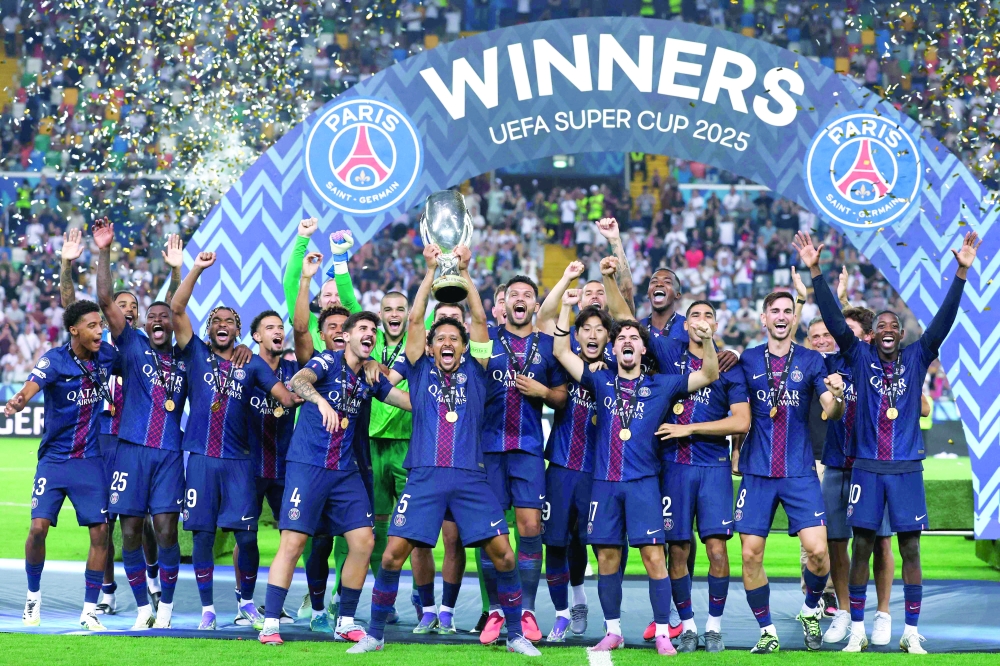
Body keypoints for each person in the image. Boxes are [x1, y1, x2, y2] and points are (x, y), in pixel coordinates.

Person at [348, 243, 539, 656]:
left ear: (464, 345)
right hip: (425, 475)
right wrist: (430, 272)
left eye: (455, 337)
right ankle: (375, 635)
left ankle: (517, 635)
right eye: (441, 339)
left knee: (505, 556)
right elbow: (416, 318)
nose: (448, 342)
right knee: (392, 556)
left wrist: (465, 273)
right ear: (431, 346)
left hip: (471, 477)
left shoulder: (478, 368)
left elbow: (483, 318)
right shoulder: (417, 370)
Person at [797, 230, 980, 654]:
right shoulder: (858, 357)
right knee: (861, 546)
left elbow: (944, 320)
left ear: (901, 333)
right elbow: (835, 319)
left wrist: (962, 273)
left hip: (906, 469)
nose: (886, 330)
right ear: (871, 335)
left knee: (910, 548)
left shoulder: (918, 357)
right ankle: (857, 626)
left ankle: (910, 630)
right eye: (880, 326)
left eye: (893, 325)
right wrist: (815, 272)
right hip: (865, 467)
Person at [552, 288, 719, 655]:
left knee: (653, 557)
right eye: (621, 338)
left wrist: (707, 341)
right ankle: (613, 630)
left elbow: (708, 373)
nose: (627, 341)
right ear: (614, 350)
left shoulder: (663, 384)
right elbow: (562, 351)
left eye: (634, 338)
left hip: (644, 484)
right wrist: (565, 306)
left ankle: (662, 631)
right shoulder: (599, 380)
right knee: (607, 558)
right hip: (606, 484)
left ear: (643, 350)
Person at [258, 311, 411, 646]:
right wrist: (319, 402)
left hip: (345, 471)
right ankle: (270, 624)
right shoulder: (327, 360)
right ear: (348, 335)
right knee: (294, 543)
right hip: (308, 465)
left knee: (364, 542)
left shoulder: (371, 375)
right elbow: (298, 381)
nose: (370, 333)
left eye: (374, 330)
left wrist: (436, 405)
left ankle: (344, 621)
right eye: (363, 329)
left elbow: (404, 401)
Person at [170, 251, 299, 631]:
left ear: (240, 332)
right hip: (203, 460)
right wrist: (195, 268)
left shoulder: (252, 364)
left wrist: (309, 389)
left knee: (246, 536)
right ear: (210, 329)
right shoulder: (195, 353)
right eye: (217, 321)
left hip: (241, 462)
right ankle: (208, 609)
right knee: (203, 534)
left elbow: (285, 396)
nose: (222, 324)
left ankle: (246, 603)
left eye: (230, 321)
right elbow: (178, 309)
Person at [60, 224, 182, 616]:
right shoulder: (99, 347)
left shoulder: (135, 348)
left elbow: (173, 313)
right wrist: (70, 264)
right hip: (104, 440)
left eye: (132, 307)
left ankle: (150, 584)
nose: (126, 310)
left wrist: (178, 272)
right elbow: (73, 309)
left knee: (150, 523)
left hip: (139, 441)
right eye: (122, 306)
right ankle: (110, 591)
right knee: (110, 522)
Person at [328, 230, 445, 632]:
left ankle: (426, 605)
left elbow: (424, 309)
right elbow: (347, 298)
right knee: (374, 530)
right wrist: (340, 258)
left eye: (401, 308)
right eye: (388, 309)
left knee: (416, 533)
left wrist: (435, 270)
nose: (395, 314)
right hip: (370, 448)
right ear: (380, 314)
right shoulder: (369, 345)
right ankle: (383, 598)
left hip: (412, 447)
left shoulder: (420, 337)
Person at [733, 290, 846, 653]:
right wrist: (735, 449)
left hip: (798, 471)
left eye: (787, 311)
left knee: (817, 552)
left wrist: (838, 397)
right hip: (757, 471)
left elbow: (831, 409)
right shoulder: (746, 360)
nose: (781, 316)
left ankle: (811, 609)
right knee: (750, 554)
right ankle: (767, 631)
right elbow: (737, 410)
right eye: (774, 311)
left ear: (793, 319)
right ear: (764, 318)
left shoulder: (812, 361)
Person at [91, 220, 187, 630]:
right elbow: (104, 297)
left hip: (168, 452)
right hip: (130, 448)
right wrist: (104, 251)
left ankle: (164, 609)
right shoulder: (131, 344)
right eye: (153, 317)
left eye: (166, 316)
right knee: (129, 532)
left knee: (165, 531)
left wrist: (178, 273)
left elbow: (177, 307)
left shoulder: (188, 356)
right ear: (144, 325)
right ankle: (141, 608)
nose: (160, 320)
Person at [6, 300, 116, 630]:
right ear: (74, 330)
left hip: (89, 460)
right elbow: (30, 388)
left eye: (101, 325)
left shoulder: (108, 357)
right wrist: (18, 401)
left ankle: (89, 610)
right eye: (93, 326)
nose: (100, 331)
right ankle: (32, 598)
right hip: (54, 461)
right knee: (38, 529)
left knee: (101, 532)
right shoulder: (54, 360)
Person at [653, 300, 752, 652]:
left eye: (708, 315)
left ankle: (713, 627)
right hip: (674, 467)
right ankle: (689, 626)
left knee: (717, 551)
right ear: (685, 325)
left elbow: (741, 421)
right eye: (695, 315)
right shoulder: (667, 353)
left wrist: (689, 428)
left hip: (713, 468)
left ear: (716, 323)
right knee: (677, 551)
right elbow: (624, 319)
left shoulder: (730, 366)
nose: (702, 321)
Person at [480, 273, 568, 644]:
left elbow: (563, 397)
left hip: (529, 448)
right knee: (491, 533)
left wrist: (543, 390)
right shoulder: (486, 343)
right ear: (502, 305)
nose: (519, 299)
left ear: (534, 306)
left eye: (527, 295)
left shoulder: (548, 347)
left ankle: (527, 610)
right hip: (489, 448)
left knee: (531, 529)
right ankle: (498, 612)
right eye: (512, 294)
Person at [808, 312, 898, 648]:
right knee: (836, 542)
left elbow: (922, 406)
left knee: (882, 542)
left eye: (850, 332)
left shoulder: (884, 368)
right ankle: (844, 611)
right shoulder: (828, 363)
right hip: (835, 464)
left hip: (873, 467)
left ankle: (883, 614)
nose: (840, 337)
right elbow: (797, 347)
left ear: (868, 337)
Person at [540, 304, 612, 641]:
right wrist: (568, 304)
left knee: (599, 543)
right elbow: (556, 342)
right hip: (560, 466)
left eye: (599, 329)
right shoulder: (563, 365)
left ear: (608, 336)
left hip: (598, 472)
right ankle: (564, 612)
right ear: (577, 334)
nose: (593, 334)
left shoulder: (616, 371)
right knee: (555, 543)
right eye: (586, 329)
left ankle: (611, 620)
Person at [234, 308, 302, 627]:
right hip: (249, 465)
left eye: (280, 327)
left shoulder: (294, 368)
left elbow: (304, 336)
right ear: (256, 336)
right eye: (269, 327)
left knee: (292, 537)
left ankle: (277, 604)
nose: (278, 330)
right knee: (246, 538)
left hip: (286, 466)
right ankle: (244, 603)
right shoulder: (245, 366)